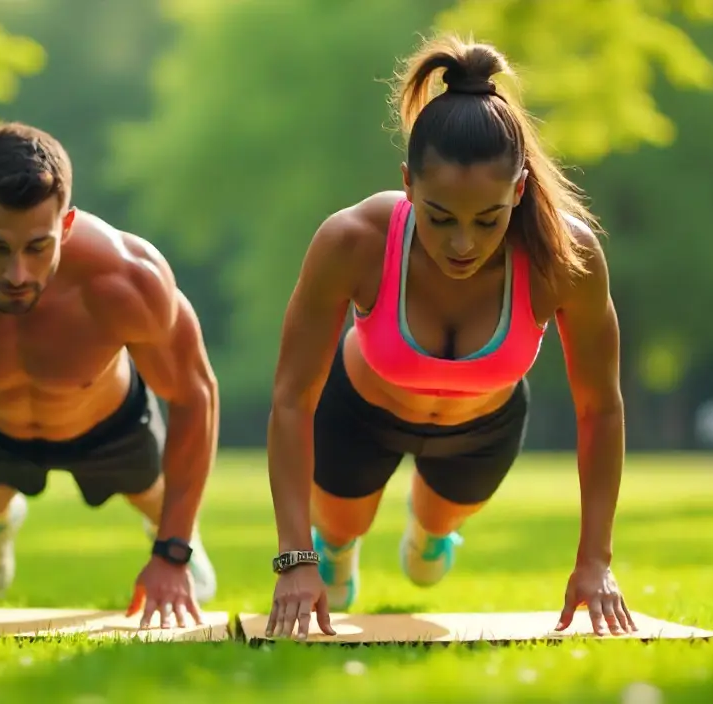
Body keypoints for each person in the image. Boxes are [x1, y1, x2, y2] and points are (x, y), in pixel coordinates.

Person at [263, 35, 638, 640]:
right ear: (408, 183)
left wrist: (595, 561)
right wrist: (294, 560)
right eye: (440, 218)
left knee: (427, 561)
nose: (462, 244)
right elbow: (290, 397)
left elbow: (601, 407)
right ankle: (334, 552)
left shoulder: (565, 258)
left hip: (480, 432)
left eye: (487, 220)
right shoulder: (352, 241)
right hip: (359, 415)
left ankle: (431, 533)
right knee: (334, 540)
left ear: (517, 192)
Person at [0, 122, 219, 630]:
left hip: (107, 422)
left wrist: (172, 551)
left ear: (66, 226)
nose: (17, 275)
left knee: (151, 493)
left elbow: (194, 396)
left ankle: (172, 529)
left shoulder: (127, 278)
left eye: (37, 247)